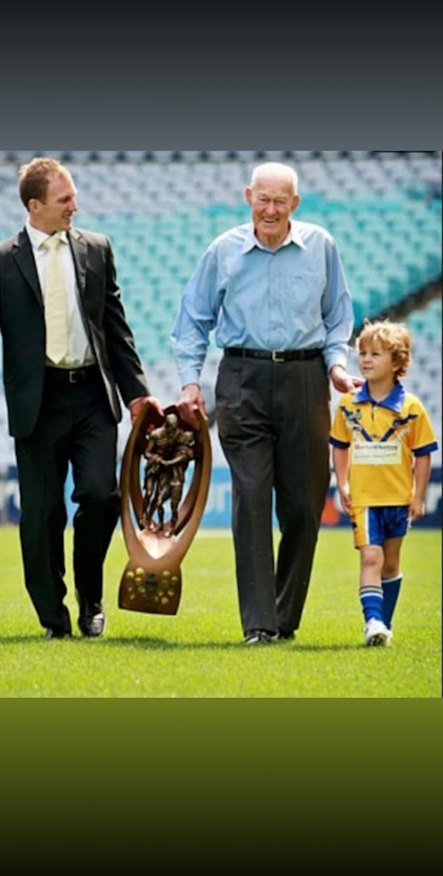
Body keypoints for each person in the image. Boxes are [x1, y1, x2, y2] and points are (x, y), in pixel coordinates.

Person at [171, 161, 362, 645]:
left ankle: (283, 614)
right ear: (248, 196)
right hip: (241, 378)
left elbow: (338, 316)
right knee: (252, 498)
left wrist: (338, 366)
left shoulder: (322, 246)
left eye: (281, 201)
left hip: (306, 379)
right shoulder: (223, 251)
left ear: (295, 204)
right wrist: (190, 383)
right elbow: (193, 319)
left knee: (302, 506)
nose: (271, 209)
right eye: (264, 199)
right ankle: (258, 623)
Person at [0, 157, 163, 639]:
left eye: (73, 196)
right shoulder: (4, 262)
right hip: (38, 402)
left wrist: (138, 395)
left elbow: (116, 328)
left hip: (93, 394)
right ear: (35, 206)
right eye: (64, 199)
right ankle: (54, 616)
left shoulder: (96, 248)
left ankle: (91, 598)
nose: (76, 205)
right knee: (43, 514)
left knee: (100, 494)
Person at [330, 319, 438, 646]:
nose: (365, 359)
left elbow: (422, 455)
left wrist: (418, 497)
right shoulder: (349, 405)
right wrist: (343, 484)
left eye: (375, 354)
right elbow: (339, 446)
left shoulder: (412, 408)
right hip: (364, 500)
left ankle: (382, 625)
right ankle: (373, 620)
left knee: (391, 563)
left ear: (397, 361)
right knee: (371, 558)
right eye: (362, 353)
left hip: (398, 499)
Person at [141, 413, 195, 534]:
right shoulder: (156, 435)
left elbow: (189, 439)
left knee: (158, 498)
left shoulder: (177, 437)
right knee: (149, 493)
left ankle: (157, 522)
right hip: (154, 466)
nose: (172, 431)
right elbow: (147, 453)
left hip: (165, 470)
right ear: (166, 425)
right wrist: (157, 459)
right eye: (170, 428)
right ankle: (144, 515)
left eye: (174, 429)